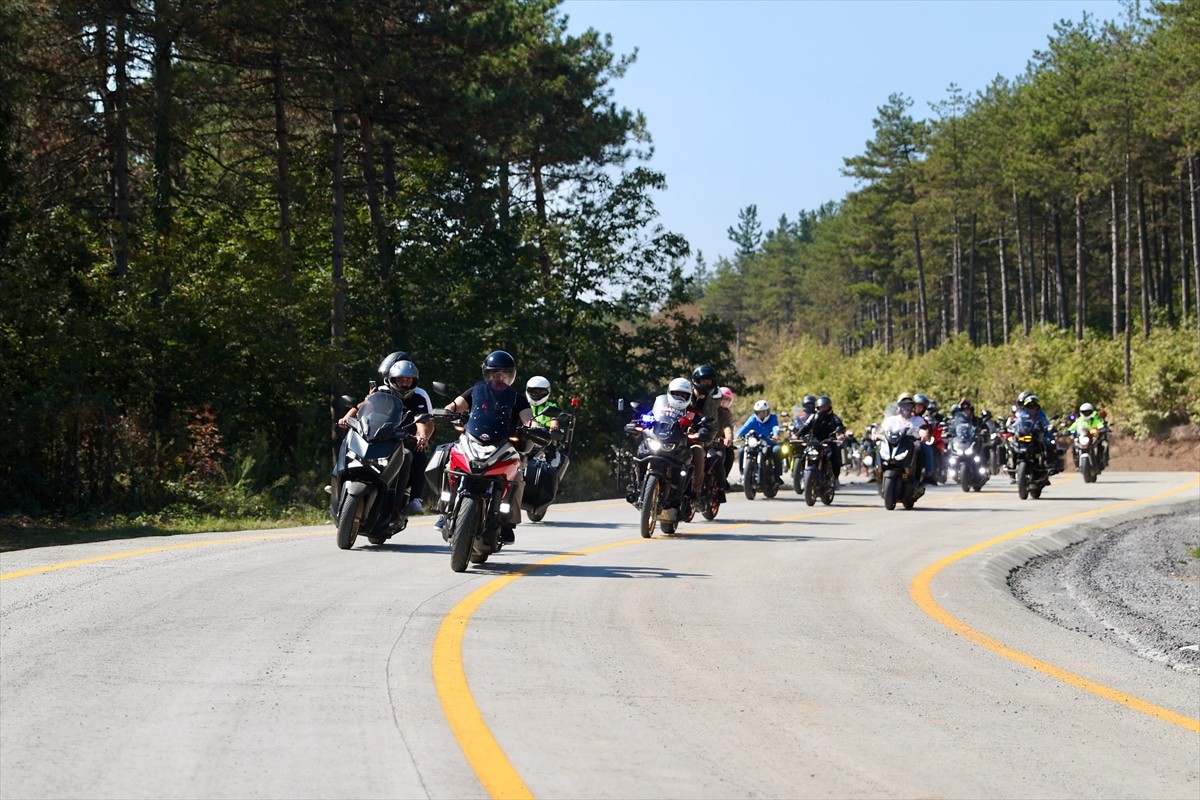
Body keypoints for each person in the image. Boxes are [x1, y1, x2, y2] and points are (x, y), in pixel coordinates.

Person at [439, 350, 535, 543]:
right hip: (473, 439)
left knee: (518, 474)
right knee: (448, 456)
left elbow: (528, 419)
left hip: (503, 444)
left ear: (511, 376)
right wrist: (448, 412)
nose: (499, 377)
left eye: (504, 374)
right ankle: (445, 508)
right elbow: (455, 406)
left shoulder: (517, 398)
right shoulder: (476, 391)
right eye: (494, 373)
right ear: (487, 374)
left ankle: (508, 523)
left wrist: (535, 427)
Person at [338, 359, 434, 517]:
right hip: (379, 435)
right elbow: (364, 406)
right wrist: (346, 418)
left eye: (408, 380)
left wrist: (422, 436)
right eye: (401, 380)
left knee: (414, 454)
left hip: (404, 437)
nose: (405, 384)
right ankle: (339, 480)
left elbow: (421, 420)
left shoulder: (419, 396)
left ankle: (414, 499)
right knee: (352, 444)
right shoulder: (381, 391)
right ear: (393, 379)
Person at [687, 365, 735, 496]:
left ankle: (698, 492)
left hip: (702, 440)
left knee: (707, 456)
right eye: (704, 381)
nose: (706, 384)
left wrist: (725, 437)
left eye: (709, 381)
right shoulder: (686, 397)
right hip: (681, 436)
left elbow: (717, 426)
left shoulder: (714, 407)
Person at [791, 395, 846, 486]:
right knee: (804, 454)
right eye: (821, 407)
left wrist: (840, 434)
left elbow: (839, 426)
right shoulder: (813, 417)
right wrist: (797, 435)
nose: (823, 409)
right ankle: (802, 475)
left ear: (829, 407)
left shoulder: (833, 417)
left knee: (835, 457)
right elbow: (806, 426)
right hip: (815, 441)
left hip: (829, 441)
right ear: (817, 407)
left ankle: (835, 478)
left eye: (825, 407)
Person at [878, 393, 935, 479]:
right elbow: (882, 429)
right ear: (898, 406)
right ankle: (878, 470)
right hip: (894, 445)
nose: (906, 408)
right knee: (879, 445)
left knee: (921, 449)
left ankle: (923, 475)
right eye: (903, 405)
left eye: (909, 405)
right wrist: (876, 434)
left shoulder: (918, 420)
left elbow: (923, 429)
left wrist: (923, 434)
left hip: (910, 445)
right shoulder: (891, 420)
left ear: (913, 407)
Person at [736, 400, 784, 485]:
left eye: (764, 412)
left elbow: (775, 427)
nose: (762, 414)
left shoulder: (773, 417)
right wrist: (737, 435)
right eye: (759, 412)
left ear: (768, 411)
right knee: (741, 451)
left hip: (769, 444)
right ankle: (743, 474)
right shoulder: (752, 419)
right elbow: (744, 428)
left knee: (777, 450)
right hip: (755, 444)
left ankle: (777, 475)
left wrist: (776, 434)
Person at [1067, 401, 1109, 467]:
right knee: (1074, 447)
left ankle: (1101, 461)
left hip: (1093, 438)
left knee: (1103, 444)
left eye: (1088, 412)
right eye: (1084, 412)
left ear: (1091, 412)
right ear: (1081, 412)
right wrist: (1067, 431)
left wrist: (1102, 429)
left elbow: (1100, 425)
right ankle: (1076, 462)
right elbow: (1072, 428)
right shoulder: (1079, 420)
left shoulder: (1094, 420)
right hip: (1082, 437)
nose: (1086, 413)